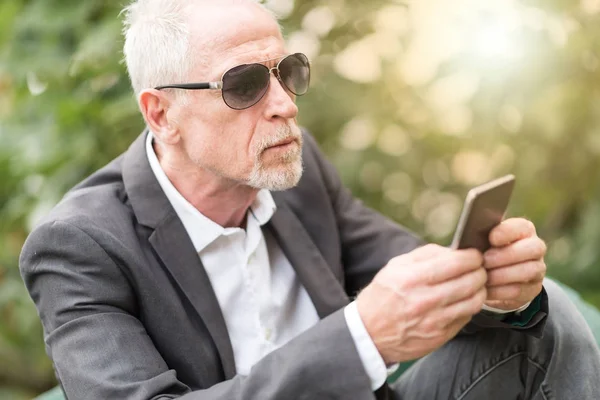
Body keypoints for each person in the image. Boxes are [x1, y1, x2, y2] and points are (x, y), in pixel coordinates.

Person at [19, 1, 600, 399]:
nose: (285, 104)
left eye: (288, 71)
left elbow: (405, 266)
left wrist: (496, 287)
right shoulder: (77, 246)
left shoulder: (290, 167)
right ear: (161, 114)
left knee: (549, 313)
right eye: (244, 83)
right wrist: (361, 339)